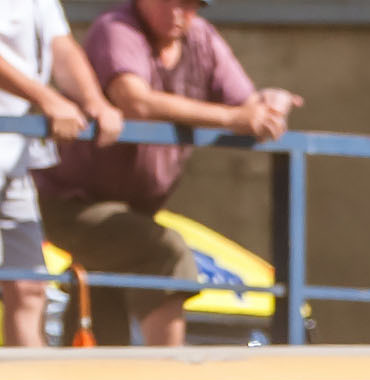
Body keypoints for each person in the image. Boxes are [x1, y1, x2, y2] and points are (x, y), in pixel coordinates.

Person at [37, 0, 299, 347]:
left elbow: (247, 106)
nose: (179, 13)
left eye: (190, 5)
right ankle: (169, 377)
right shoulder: (118, 28)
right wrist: (232, 118)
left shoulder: (202, 38)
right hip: (70, 201)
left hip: (133, 210)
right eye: (170, 3)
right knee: (166, 252)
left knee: (103, 301)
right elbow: (136, 101)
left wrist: (269, 103)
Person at [0, 0, 119, 346]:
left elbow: (61, 45)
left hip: (15, 157)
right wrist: (47, 99)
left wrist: (94, 100)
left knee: (29, 288)